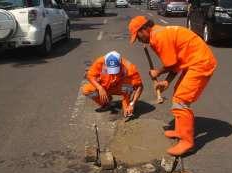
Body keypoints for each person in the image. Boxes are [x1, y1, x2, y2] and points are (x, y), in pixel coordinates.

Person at [128, 16, 217, 156]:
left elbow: (170, 64)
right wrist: (167, 82)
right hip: (192, 61)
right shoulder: (157, 34)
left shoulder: (158, 37)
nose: (139, 40)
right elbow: (175, 64)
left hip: (200, 63)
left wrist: (157, 72)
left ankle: (187, 142)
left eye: (137, 36)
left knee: (181, 101)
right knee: (177, 94)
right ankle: (180, 131)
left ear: (144, 29)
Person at [82, 51, 143, 117]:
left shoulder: (129, 67)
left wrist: (132, 104)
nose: (114, 74)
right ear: (105, 64)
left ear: (120, 63)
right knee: (86, 90)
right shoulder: (100, 62)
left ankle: (126, 104)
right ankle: (106, 102)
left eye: (116, 70)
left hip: (121, 88)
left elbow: (140, 86)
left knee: (129, 86)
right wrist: (100, 88)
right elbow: (90, 76)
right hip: (105, 87)